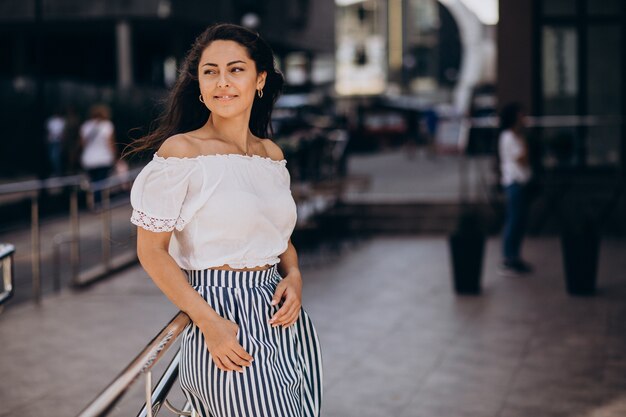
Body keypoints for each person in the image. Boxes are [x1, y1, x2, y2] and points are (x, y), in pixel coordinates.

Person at [125, 23, 323, 417]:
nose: (222, 82)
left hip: (281, 321)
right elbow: (151, 251)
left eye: (235, 69)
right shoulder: (181, 152)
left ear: (259, 79)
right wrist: (209, 323)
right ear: (198, 84)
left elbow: (279, 237)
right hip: (220, 318)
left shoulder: (270, 154)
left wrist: (295, 276)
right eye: (210, 71)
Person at [498, 102, 533, 275]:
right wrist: (525, 142)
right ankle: (508, 259)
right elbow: (522, 159)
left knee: (519, 222)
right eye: (521, 115)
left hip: (521, 183)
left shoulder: (516, 136)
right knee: (514, 220)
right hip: (514, 183)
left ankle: (515, 257)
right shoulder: (508, 137)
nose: (524, 119)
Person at [79, 104, 118, 208]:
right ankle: (98, 203)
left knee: (93, 182)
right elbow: (110, 143)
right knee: (101, 182)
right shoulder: (107, 125)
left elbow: (82, 144)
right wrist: (115, 157)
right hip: (103, 158)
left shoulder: (85, 126)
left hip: (89, 159)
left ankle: (93, 201)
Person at [45, 108, 66, 176]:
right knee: (52, 157)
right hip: (52, 141)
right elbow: (48, 131)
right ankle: (55, 171)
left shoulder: (62, 121)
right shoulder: (50, 121)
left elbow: (63, 132)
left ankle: (59, 172)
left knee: (56, 157)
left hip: (59, 142)